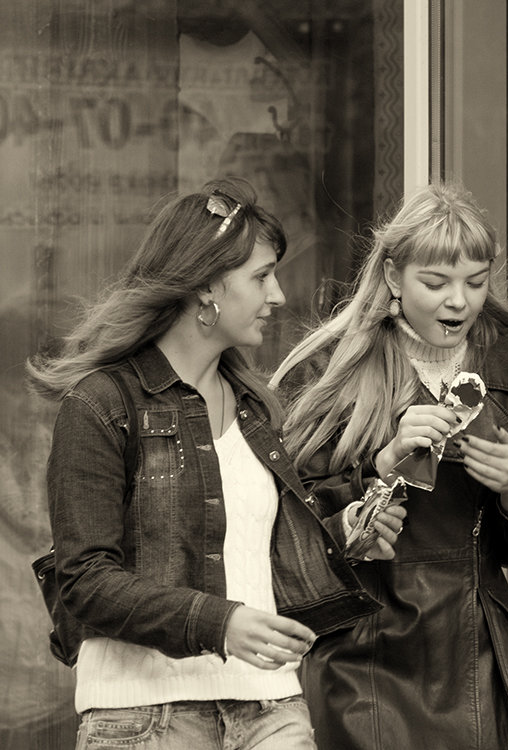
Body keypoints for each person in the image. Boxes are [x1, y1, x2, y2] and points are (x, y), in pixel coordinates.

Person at [25, 177, 405, 749]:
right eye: (261, 276)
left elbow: (256, 554)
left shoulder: (257, 409)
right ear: (207, 286)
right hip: (143, 716)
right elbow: (85, 582)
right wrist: (219, 622)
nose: (278, 295)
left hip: (271, 706)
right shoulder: (101, 404)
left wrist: (346, 529)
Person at [271, 181, 508, 750]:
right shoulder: (332, 367)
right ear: (393, 277)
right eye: (436, 282)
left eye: (475, 282)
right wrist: (379, 465)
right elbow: (287, 526)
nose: (459, 302)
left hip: (481, 649)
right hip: (363, 653)